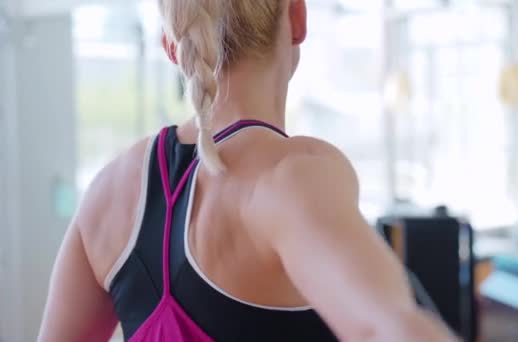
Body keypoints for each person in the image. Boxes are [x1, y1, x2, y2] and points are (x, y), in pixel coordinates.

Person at [38, 0, 455, 341]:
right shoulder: (292, 176)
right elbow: (389, 330)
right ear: (297, 17)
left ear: (171, 46)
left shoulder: (108, 192)